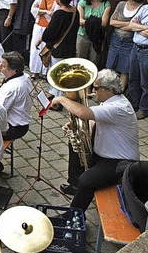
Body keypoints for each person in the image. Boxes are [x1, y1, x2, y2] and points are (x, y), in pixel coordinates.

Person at [51, 70, 139, 210]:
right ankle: (75, 185)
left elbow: (82, 112)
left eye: (96, 88)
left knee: (86, 181)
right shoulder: (110, 101)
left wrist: (61, 99)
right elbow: (95, 120)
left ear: (109, 90)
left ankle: (74, 218)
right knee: (75, 141)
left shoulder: (118, 107)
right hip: (106, 153)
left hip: (119, 161)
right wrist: (75, 125)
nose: (92, 90)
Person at [39, 0, 79, 103]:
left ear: (60, 0)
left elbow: (49, 34)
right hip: (70, 48)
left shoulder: (59, 14)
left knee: (57, 74)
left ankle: (57, 101)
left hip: (58, 49)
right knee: (63, 73)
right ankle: (53, 93)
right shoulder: (75, 12)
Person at [106, 0, 146, 91]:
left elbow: (134, 27)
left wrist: (126, 25)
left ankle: (120, 92)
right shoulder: (121, 4)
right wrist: (130, 24)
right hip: (116, 38)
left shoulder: (142, 8)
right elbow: (112, 22)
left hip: (129, 42)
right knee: (111, 65)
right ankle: (108, 91)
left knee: (125, 69)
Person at [0, 52, 32, 141]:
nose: (0, 67)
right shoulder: (26, 76)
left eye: (3, 66)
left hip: (13, 128)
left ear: (13, 70)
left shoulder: (11, 88)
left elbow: (0, 112)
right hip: (21, 124)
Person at [76, 0, 111, 65]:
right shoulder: (82, 2)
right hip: (83, 35)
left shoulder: (106, 4)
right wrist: (95, 21)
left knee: (94, 60)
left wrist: (88, 21)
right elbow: (80, 21)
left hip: (97, 37)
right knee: (80, 59)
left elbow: (104, 23)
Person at [29, 0, 58, 79]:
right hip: (38, 25)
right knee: (35, 47)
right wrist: (45, 11)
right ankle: (35, 71)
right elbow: (33, 8)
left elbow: (55, 13)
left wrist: (40, 11)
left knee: (46, 48)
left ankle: (46, 72)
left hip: (48, 27)